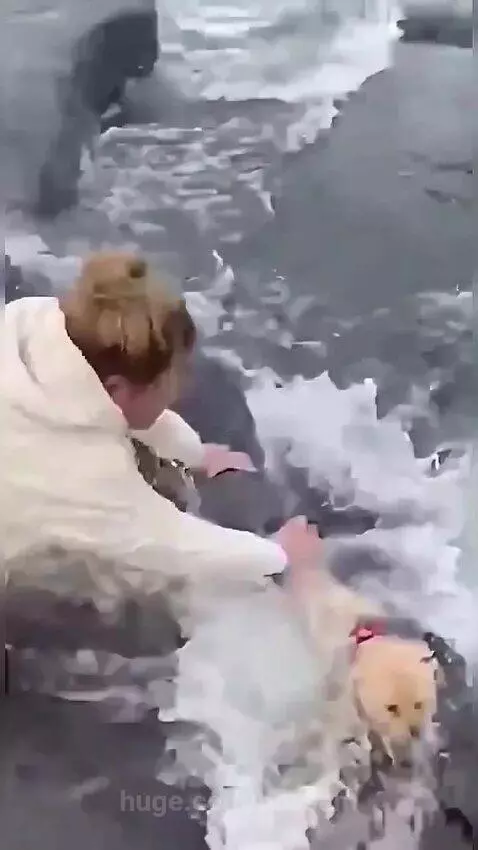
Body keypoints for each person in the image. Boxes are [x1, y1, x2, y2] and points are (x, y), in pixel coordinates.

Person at [1, 252, 321, 620]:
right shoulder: (82, 473)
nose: (180, 389)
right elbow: (168, 544)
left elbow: (112, 408)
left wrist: (196, 454)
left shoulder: (30, 320)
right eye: (170, 381)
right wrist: (282, 555)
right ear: (118, 389)